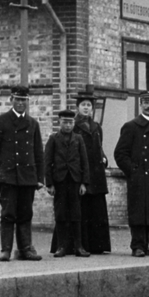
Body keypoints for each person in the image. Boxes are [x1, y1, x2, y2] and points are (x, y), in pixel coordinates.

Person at [0, 85, 45, 261]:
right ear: (11, 100)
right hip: (8, 177)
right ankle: (6, 250)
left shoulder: (33, 124)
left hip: (27, 177)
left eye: (23, 100)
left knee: (26, 214)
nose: (20, 103)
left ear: (27, 102)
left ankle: (26, 249)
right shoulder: (0, 122)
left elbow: (38, 152)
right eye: (17, 99)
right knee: (8, 214)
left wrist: (40, 178)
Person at [113, 90, 149, 258]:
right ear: (140, 105)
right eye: (146, 103)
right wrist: (133, 171)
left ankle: (145, 245)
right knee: (138, 212)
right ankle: (137, 246)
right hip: (139, 178)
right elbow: (120, 153)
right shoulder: (131, 127)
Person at [44, 109, 91, 257]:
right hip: (59, 182)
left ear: (74, 123)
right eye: (65, 122)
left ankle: (78, 246)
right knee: (60, 214)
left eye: (70, 122)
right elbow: (47, 162)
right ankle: (61, 246)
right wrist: (49, 183)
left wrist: (84, 183)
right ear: (60, 122)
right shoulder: (53, 139)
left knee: (76, 214)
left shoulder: (78, 139)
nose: (68, 125)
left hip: (75, 181)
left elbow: (84, 162)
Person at [74, 90, 112, 254]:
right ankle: (81, 244)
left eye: (89, 105)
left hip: (96, 174)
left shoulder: (97, 127)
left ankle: (98, 245)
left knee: (96, 209)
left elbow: (99, 147)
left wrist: (104, 158)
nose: (86, 108)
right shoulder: (74, 126)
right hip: (82, 173)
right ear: (77, 107)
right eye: (83, 105)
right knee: (82, 209)